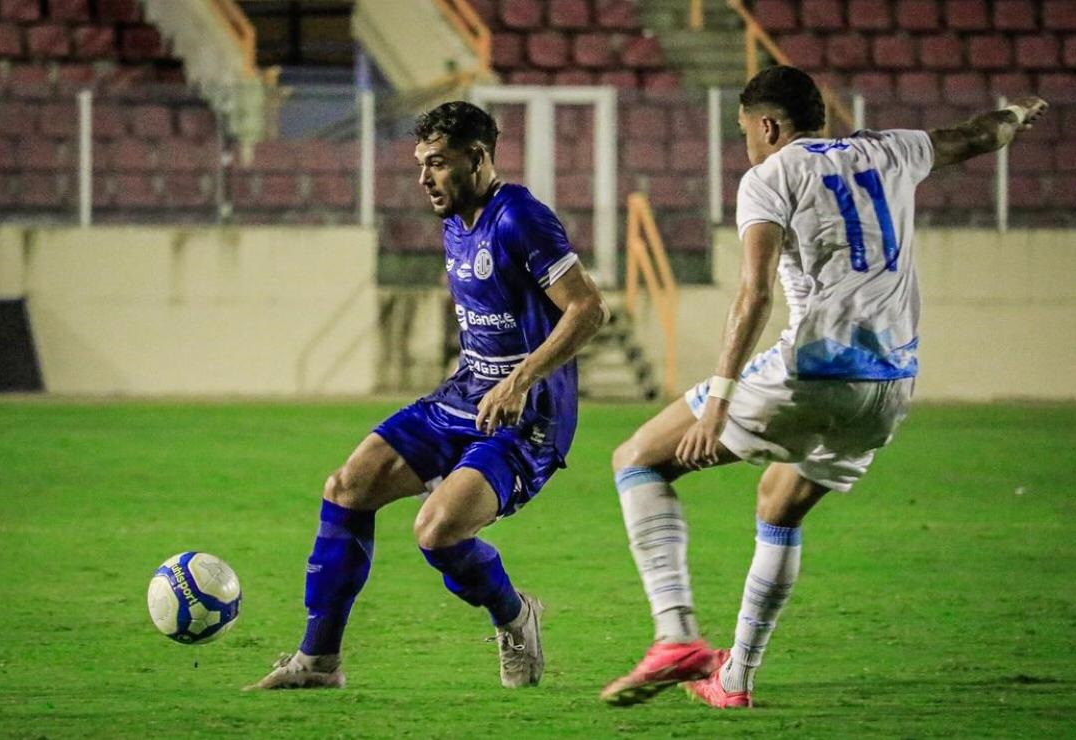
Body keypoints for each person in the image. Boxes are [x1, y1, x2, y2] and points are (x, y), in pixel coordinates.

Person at [599, 65, 1048, 709]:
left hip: (811, 369)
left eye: (746, 131)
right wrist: (1015, 114)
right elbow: (976, 135)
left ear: (770, 126)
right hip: (890, 384)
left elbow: (752, 294)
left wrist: (718, 402)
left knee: (637, 460)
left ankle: (676, 638)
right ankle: (734, 679)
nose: (746, 144)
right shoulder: (893, 148)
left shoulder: (770, 175)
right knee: (780, 506)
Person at [249, 101, 608, 690]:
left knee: (437, 531)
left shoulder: (520, 217)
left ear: (478, 157)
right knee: (348, 486)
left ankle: (516, 617)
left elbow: (589, 309)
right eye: (420, 164)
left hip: (527, 417)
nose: (424, 179)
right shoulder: (454, 222)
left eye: (437, 164)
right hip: (466, 394)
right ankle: (318, 662)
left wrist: (519, 380)